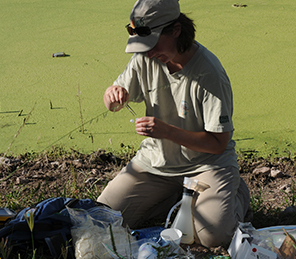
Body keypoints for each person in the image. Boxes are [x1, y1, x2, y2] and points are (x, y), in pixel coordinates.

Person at [97, 0, 250, 247]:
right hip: (155, 165)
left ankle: (236, 194)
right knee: (103, 221)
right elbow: (115, 96)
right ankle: (175, 198)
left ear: (176, 30)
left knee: (215, 237)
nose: (147, 52)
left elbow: (218, 144)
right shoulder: (145, 59)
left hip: (206, 165)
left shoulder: (209, 73)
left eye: (153, 43)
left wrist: (166, 131)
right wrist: (111, 95)